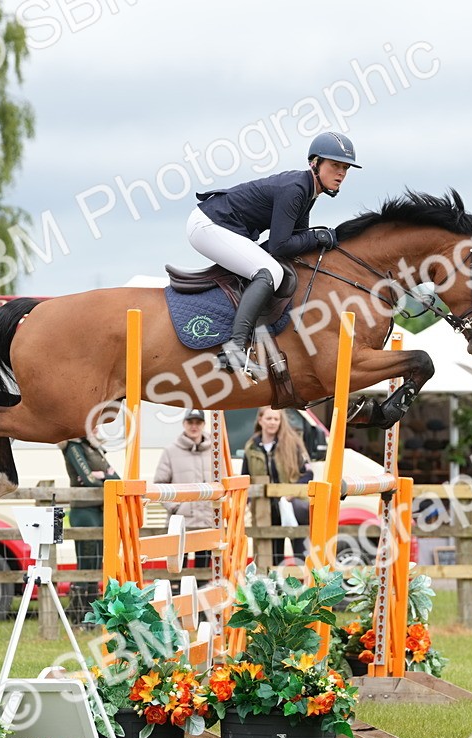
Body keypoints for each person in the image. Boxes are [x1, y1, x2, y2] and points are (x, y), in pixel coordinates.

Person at [187, 131, 360, 379]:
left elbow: (292, 242)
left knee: (273, 266)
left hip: (223, 225)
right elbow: (281, 246)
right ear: (315, 163)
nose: (341, 173)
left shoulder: (307, 193)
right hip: (209, 225)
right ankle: (235, 348)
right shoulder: (296, 189)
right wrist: (319, 237)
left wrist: (319, 240)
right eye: (335, 165)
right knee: (269, 272)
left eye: (345, 168)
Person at [242, 406, 312, 567]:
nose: (272, 422)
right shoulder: (251, 446)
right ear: (260, 420)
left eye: (276, 419)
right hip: (265, 509)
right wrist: (246, 502)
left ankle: (301, 587)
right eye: (269, 418)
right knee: (271, 552)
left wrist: (291, 492)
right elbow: (245, 478)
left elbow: (308, 474)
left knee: (300, 550)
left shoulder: (293, 443)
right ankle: (275, 588)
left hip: (292, 505)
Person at [60, 436, 120, 616]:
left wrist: (103, 475)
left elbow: (117, 478)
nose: (96, 425)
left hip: (99, 509)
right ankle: (79, 613)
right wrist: (104, 476)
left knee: (97, 561)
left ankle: (93, 613)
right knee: (86, 562)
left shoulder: (93, 446)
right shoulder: (73, 446)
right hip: (84, 510)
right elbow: (87, 479)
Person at [153, 410, 215, 569]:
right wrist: (175, 507)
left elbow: (224, 480)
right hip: (181, 521)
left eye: (198, 422)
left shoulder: (215, 451)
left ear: (203, 425)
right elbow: (160, 484)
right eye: (190, 422)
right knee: (178, 566)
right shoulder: (170, 451)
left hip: (207, 520)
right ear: (184, 424)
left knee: (204, 567)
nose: (194, 426)